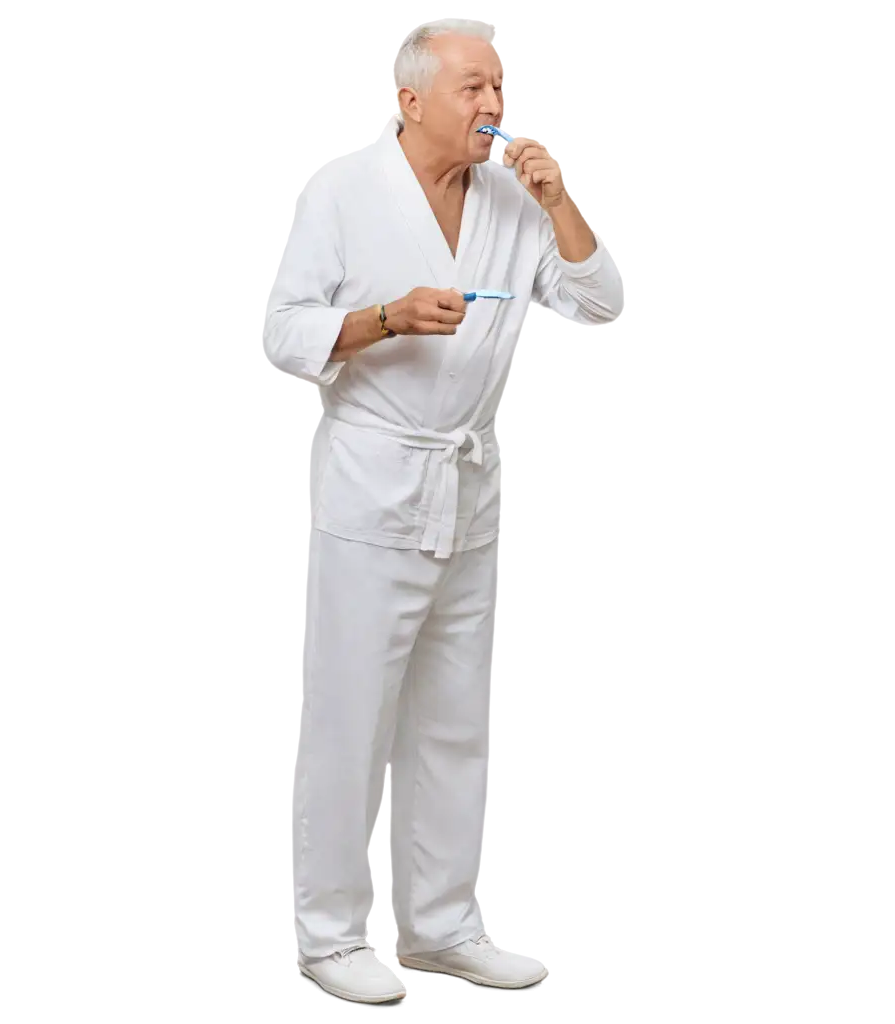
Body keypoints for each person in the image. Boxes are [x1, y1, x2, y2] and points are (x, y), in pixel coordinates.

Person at [261, 14, 625, 1006]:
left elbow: (604, 299)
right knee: (351, 718)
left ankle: (440, 925)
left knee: (454, 722)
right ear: (409, 99)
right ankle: (327, 934)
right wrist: (386, 319)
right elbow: (281, 330)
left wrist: (560, 203)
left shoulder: (512, 198)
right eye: (473, 88)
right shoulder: (341, 187)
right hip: (375, 487)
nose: (496, 107)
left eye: (501, 87)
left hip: (467, 489)